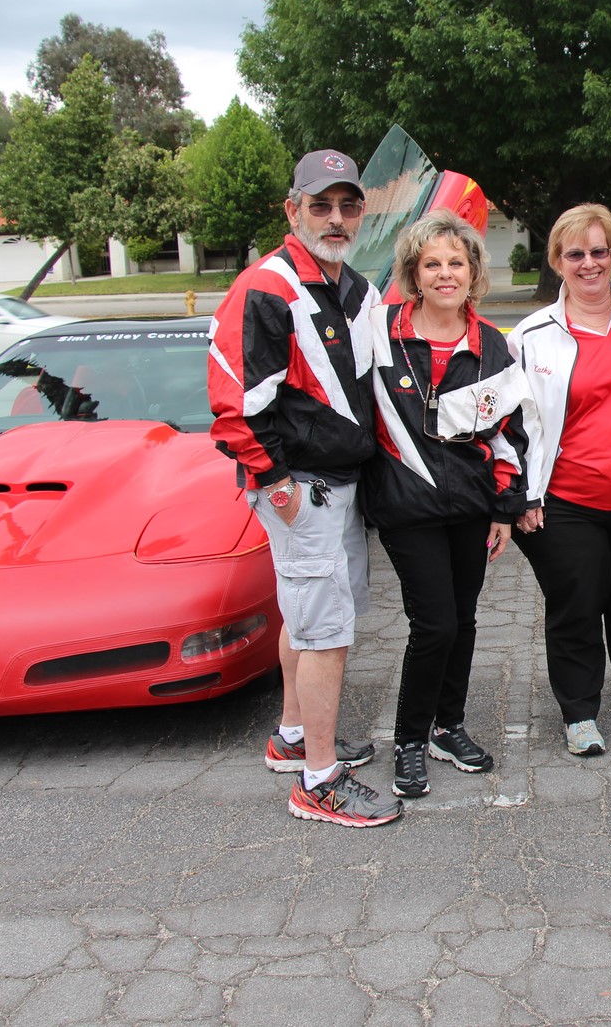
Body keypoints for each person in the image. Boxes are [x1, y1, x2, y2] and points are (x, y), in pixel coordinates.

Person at [208, 149, 402, 828]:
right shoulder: (267, 286)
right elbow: (231, 402)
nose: (337, 217)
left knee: (307, 616)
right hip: (303, 487)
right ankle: (318, 780)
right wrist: (277, 483)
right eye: (321, 204)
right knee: (325, 631)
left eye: (348, 205)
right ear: (293, 209)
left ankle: (294, 736)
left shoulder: (350, 285)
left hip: (337, 483)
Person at [362, 208, 535, 798]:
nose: (444, 273)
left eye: (455, 263)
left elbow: (510, 431)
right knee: (432, 624)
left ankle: (447, 726)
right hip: (407, 505)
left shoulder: (491, 344)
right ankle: (409, 740)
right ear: (413, 272)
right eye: (431, 263)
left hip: (470, 505)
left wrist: (505, 507)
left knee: (462, 622)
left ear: (472, 272)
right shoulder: (380, 333)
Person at [508, 203, 611, 757]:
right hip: (566, 502)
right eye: (575, 253)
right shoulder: (531, 336)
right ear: (557, 260)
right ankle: (579, 712)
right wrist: (521, 496)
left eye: (599, 251)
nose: (588, 263)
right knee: (576, 605)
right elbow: (513, 423)